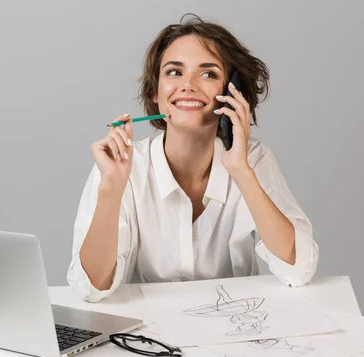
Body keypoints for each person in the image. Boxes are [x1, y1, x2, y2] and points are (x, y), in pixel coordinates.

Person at [67, 14, 319, 302]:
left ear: (231, 93)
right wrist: (111, 189)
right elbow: (92, 287)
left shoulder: (253, 160)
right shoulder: (121, 164)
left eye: (209, 74)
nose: (187, 85)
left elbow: (298, 270)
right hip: (149, 335)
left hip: (234, 330)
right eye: (174, 72)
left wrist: (240, 170)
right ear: (154, 92)